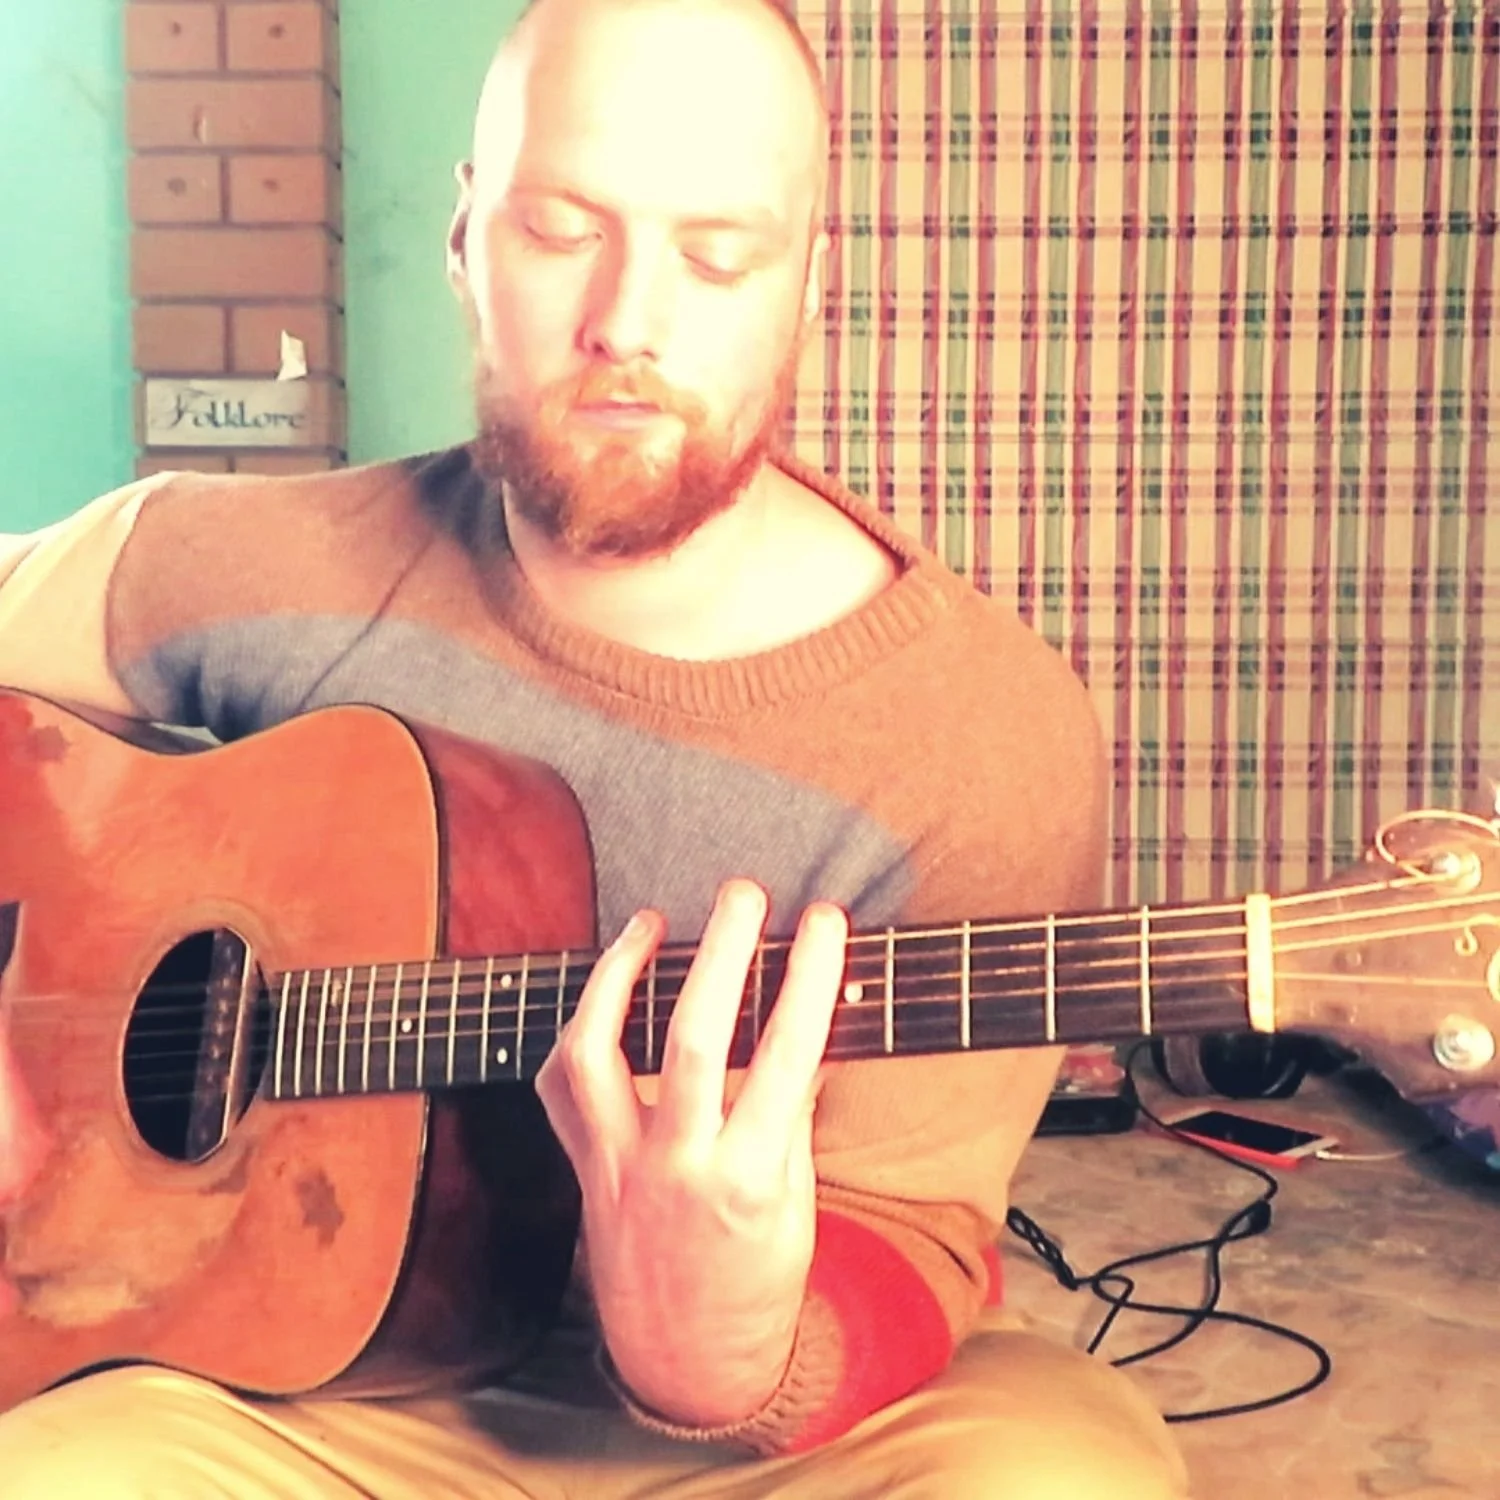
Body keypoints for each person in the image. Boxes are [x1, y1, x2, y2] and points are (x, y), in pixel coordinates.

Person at [0, 0, 1189, 1493]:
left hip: (746, 1433)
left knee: (1051, 1472)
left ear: (808, 284)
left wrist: (740, 1348)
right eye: (561, 227)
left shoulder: (985, 729)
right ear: (464, 239)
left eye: (716, 254)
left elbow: (918, 1232)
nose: (628, 318)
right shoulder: (230, 558)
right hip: (286, 1391)